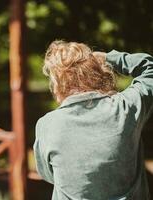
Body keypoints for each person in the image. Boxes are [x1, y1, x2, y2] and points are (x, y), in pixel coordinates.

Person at [33, 40, 153, 199]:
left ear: (56, 84)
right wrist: (109, 58)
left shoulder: (47, 125)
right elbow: (149, 68)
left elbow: (50, 175)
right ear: (97, 72)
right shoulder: (125, 108)